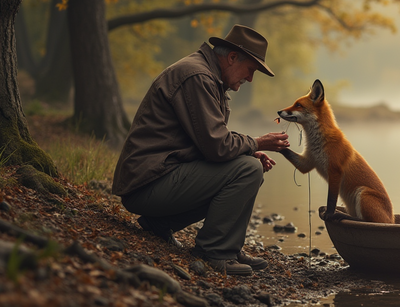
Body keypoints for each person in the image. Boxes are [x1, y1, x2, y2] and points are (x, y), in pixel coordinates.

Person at [112, 24, 290, 276]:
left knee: (250, 166)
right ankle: (215, 250)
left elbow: (208, 140)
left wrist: (248, 150)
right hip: (146, 185)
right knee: (247, 169)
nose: (250, 79)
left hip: (155, 179)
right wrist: (256, 143)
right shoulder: (197, 76)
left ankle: (165, 226)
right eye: (251, 70)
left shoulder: (206, 75)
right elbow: (217, 147)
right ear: (231, 57)